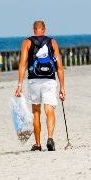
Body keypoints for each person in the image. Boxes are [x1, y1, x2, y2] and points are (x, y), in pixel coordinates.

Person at [15, 20, 66, 152]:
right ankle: (50, 138)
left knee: (36, 112)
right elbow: (59, 67)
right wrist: (62, 87)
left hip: (34, 80)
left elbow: (22, 64)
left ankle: (38, 144)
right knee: (49, 110)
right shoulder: (52, 42)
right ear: (44, 29)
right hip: (49, 80)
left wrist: (19, 85)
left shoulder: (27, 42)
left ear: (33, 30)